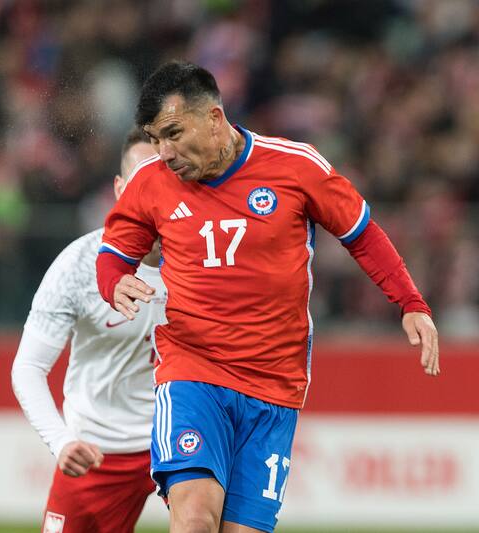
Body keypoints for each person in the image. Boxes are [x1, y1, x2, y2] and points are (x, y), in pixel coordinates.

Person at [96, 61, 440, 533]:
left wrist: (410, 302)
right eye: (155, 139)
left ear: (214, 118)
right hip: (193, 370)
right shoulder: (150, 182)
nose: (164, 151)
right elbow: (114, 252)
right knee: (194, 518)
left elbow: (361, 234)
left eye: (173, 133)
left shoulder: (296, 166)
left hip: (274, 385)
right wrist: (113, 280)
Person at [11, 127, 168, 533]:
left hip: (181, 441)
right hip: (100, 450)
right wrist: (62, 443)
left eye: (164, 177)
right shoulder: (79, 264)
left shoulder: (206, 262)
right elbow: (27, 368)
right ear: (120, 189)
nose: (154, 191)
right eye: (141, 180)